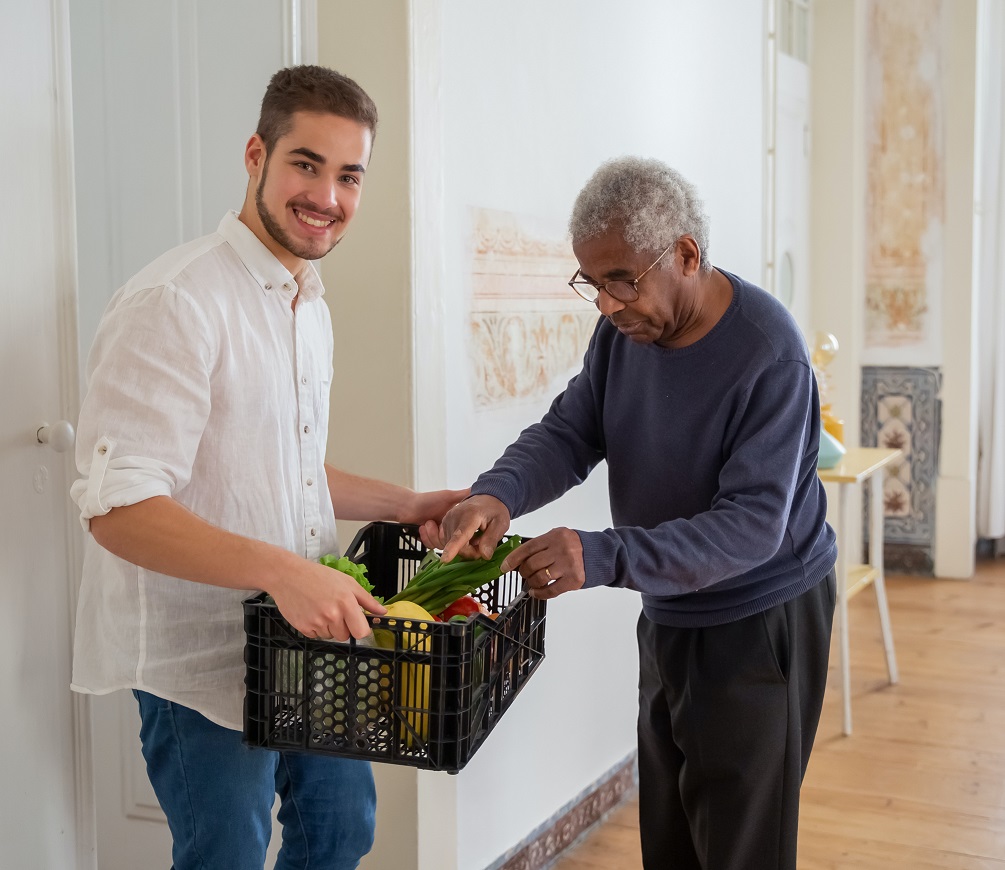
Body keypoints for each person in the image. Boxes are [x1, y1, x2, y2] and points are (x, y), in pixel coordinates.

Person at [70, 65, 466, 870]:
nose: (327, 195)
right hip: (201, 656)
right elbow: (118, 509)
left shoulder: (304, 301)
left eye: (348, 175)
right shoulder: (176, 303)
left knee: (340, 829)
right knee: (225, 854)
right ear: (256, 155)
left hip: (304, 636)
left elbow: (280, 465)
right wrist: (285, 571)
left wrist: (406, 499)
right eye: (305, 164)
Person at [423, 157, 838, 870]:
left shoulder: (768, 354)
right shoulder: (623, 335)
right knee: (671, 836)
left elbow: (750, 525)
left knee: (742, 847)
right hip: (671, 609)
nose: (608, 304)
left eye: (622, 280)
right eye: (593, 282)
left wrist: (600, 554)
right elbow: (570, 430)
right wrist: (496, 494)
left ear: (685, 253)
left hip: (758, 621)